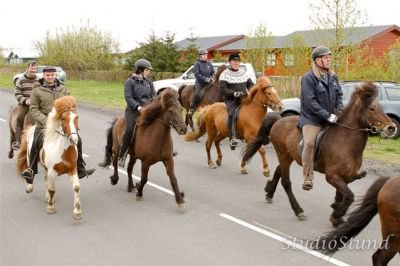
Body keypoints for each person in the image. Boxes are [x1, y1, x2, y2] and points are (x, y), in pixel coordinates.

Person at [20, 66, 95, 184]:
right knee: (35, 141)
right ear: (44, 76)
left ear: (56, 75)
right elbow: (33, 108)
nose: (50, 77)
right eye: (48, 75)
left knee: (78, 140)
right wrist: (47, 121)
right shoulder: (37, 90)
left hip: (61, 122)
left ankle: (80, 167)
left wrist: (72, 119)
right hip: (43, 123)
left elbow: (71, 106)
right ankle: (31, 170)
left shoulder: (63, 88)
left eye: (52, 75)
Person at [298, 46, 343, 191]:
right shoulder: (308, 78)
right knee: (310, 143)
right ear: (317, 60)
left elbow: (339, 95)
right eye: (325, 57)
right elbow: (310, 102)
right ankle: (307, 178)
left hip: (331, 117)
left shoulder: (333, 76)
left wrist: (339, 110)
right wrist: (327, 115)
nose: (329, 59)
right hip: (312, 119)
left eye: (329, 57)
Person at [118, 59, 156, 167]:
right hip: (133, 110)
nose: (149, 72)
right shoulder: (129, 82)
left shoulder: (148, 81)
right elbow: (128, 97)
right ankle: (122, 155)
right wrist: (138, 107)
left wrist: (154, 105)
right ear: (141, 70)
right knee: (129, 130)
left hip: (147, 109)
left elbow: (154, 95)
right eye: (147, 70)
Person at [219, 53, 254, 150]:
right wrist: (234, 93)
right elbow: (223, 89)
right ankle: (232, 138)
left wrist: (253, 91)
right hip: (231, 99)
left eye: (237, 61)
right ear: (230, 62)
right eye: (234, 61)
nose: (236, 63)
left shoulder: (244, 72)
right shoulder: (224, 74)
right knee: (231, 114)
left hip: (244, 98)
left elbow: (250, 85)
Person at [13, 61, 40, 150]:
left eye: (35, 69)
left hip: (36, 104)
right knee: (19, 118)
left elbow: (42, 92)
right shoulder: (21, 79)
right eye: (31, 68)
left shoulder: (39, 80)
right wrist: (25, 101)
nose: (33, 70)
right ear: (27, 69)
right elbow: (17, 93)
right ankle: (17, 141)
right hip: (24, 104)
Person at [188, 49, 215, 115]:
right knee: (197, 93)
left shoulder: (209, 63)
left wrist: (213, 77)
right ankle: (192, 108)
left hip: (208, 82)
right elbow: (197, 74)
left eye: (206, 55)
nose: (206, 56)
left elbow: (212, 72)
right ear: (200, 56)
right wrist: (206, 79)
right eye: (204, 55)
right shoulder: (197, 64)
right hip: (200, 83)